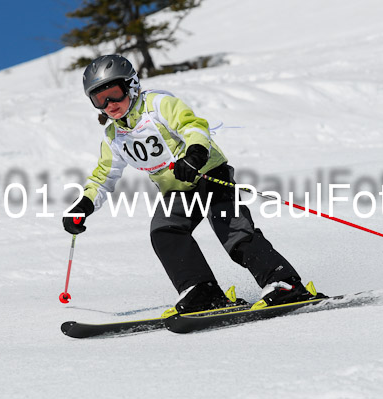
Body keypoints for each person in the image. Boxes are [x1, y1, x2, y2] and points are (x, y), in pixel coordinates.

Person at [62, 54, 325, 313]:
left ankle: (284, 285)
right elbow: (103, 177)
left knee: (233, 233)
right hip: (177, 190)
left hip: (209, 174)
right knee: (165, 232)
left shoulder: (158, 104)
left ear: (131, 85)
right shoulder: (113, 136)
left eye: (114, 93)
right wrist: (84, 205)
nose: (109, 103)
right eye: (99, 98)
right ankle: (202, 291)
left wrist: (195, 155)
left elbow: (192, 126)